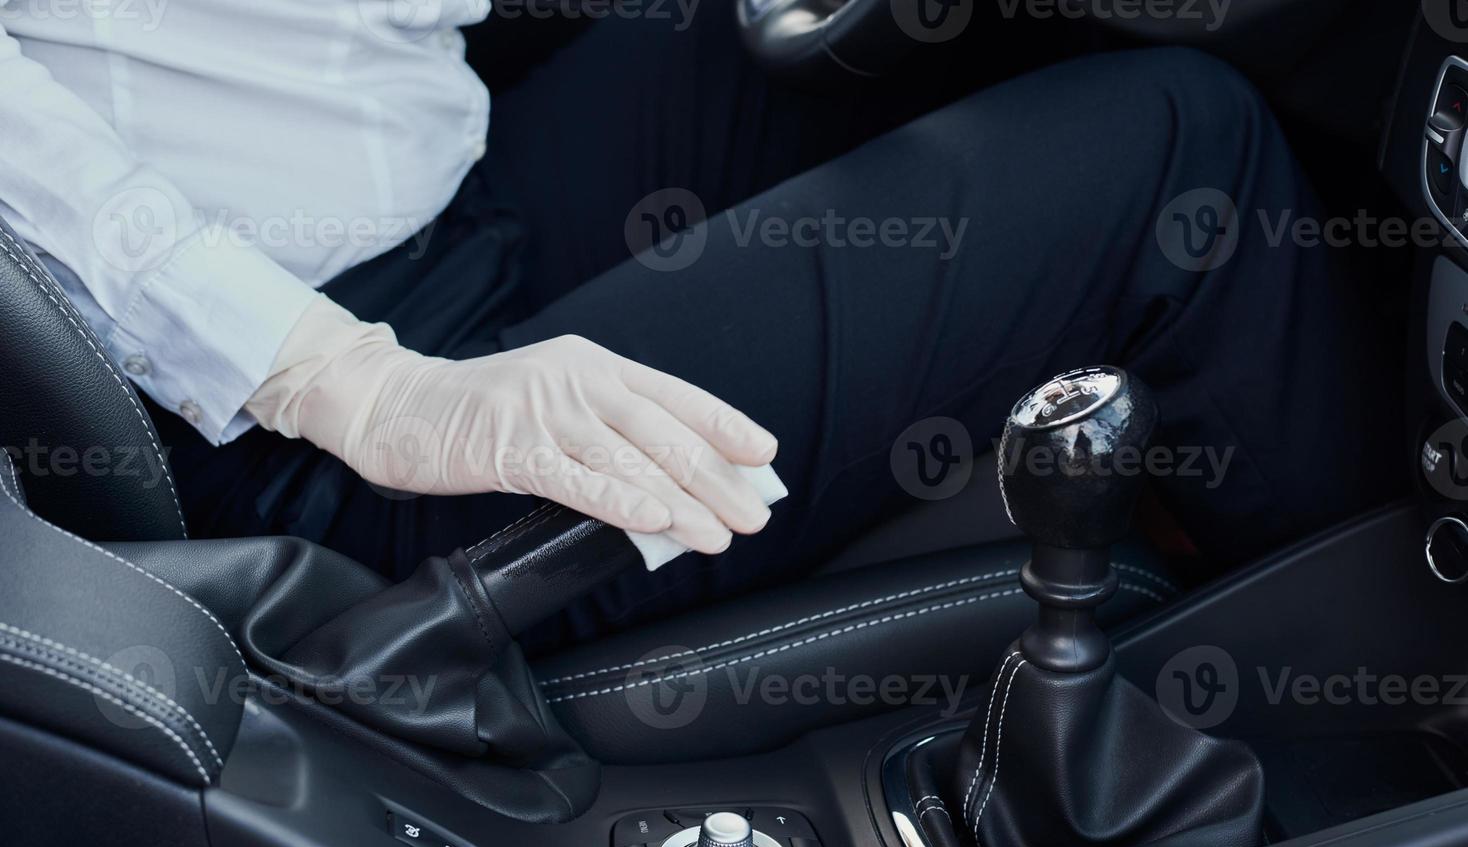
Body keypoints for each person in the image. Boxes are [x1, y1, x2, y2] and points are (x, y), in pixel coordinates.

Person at [0, 4, 1400, 650]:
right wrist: (341, 379)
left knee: (994, 31)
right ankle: (1394, 687)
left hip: (451, 187)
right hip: (285, 416)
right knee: (1179, 156)